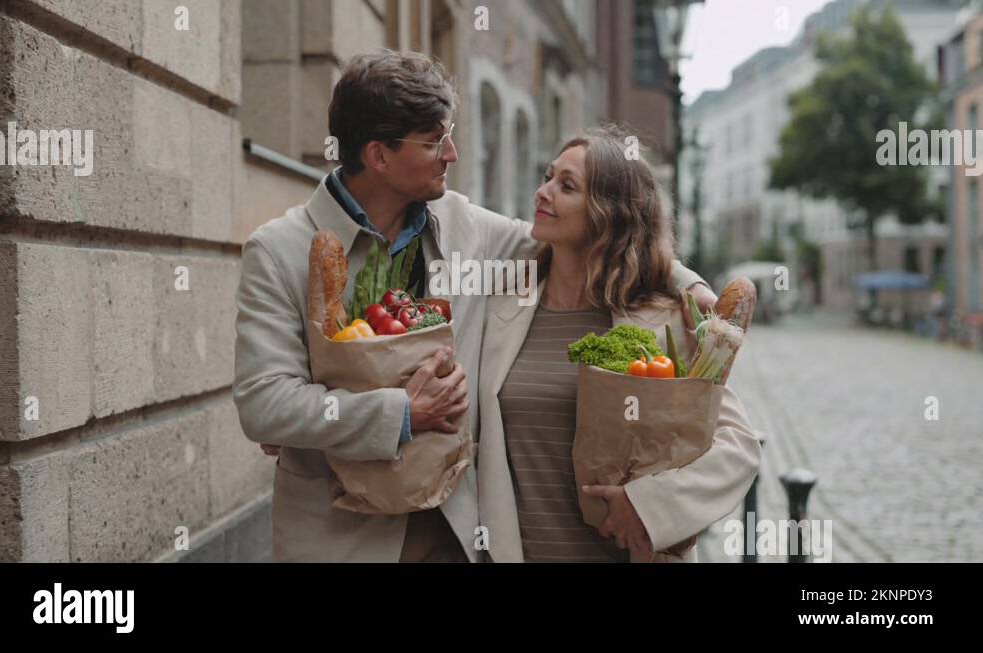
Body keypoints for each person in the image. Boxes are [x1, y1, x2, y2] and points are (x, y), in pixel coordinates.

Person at [233, 51, 716, 562]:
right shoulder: (280, 250)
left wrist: (690, 283)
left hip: (458, 535)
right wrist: (400, 413)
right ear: (378, 156)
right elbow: (264, 403)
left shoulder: (465, 226)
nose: (453, 153)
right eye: (434, 141)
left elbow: (594, 234)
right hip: (341, 539)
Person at [476, 128, 762, 562]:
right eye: (548, 176)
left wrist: (652, 508)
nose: (543, 191)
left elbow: (738, 445)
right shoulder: (502, 304)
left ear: (607, 214)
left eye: (566, 186)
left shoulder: (662, 320)